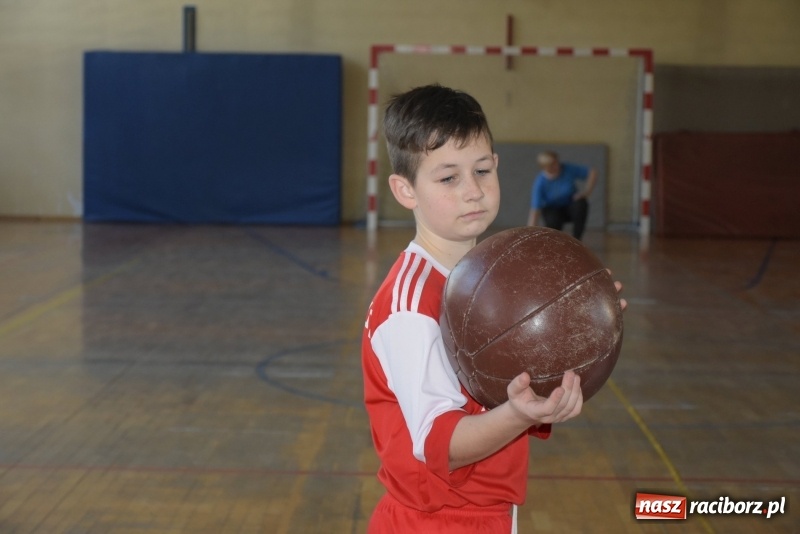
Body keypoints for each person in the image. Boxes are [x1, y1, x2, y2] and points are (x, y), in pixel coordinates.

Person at [361, 84, 625, 534]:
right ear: (405, 190)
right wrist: (520, 414)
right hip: (434, 522)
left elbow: (496, 387)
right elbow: (440, 444)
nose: (473, 191)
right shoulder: (410, 306)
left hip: (489, 514)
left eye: (482, 170)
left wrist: (576, 326)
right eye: (448, 178)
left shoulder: (491, 279)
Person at [527, 151, 597, 240]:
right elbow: (535, 210)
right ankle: (556, 241)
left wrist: (586, 192)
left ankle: (577, 240)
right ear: (545, 167)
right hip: (552, 210)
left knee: (581, 204)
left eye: (557, 162)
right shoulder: (540, 182)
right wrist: (529, 233)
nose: (557, 166)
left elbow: (592, 172)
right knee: (553, 221)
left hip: (570, 207)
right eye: (552, 164)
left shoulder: (567, 169)